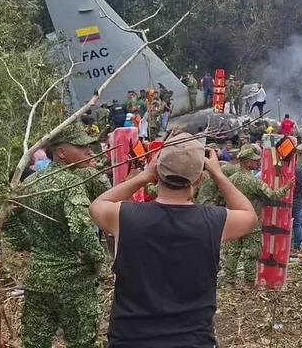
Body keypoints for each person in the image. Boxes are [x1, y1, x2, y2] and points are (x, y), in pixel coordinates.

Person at [89, 132, 258, 347]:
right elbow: (249, 214)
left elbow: (97, 205)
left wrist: (142, 176)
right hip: (193, 340)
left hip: (130, 339)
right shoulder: (213, 221)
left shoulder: (125, 216)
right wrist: (218, 174)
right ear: (198, 178)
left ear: (157, 171)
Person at [2, 124, 104, 348]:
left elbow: (6, 216)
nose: (89, 151)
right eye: (81, 146)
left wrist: (27, 243)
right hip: (73, 282)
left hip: (38, 278)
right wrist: (97, 260)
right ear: (61, 153)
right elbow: (81, 231)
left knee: (35, 342)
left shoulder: (31, 183)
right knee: (82, 342)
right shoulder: (70, 183)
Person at [223, 144, 290, 285]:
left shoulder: (231, 179)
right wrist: (287, 187)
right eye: (255, 161)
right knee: (251, 253)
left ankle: (229, 282)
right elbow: (272, 195)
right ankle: (248, 282)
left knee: (232, 252)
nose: (257, 163)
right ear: (248, 162)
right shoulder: (254, 181)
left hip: (233, 220)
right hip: (251, 223)